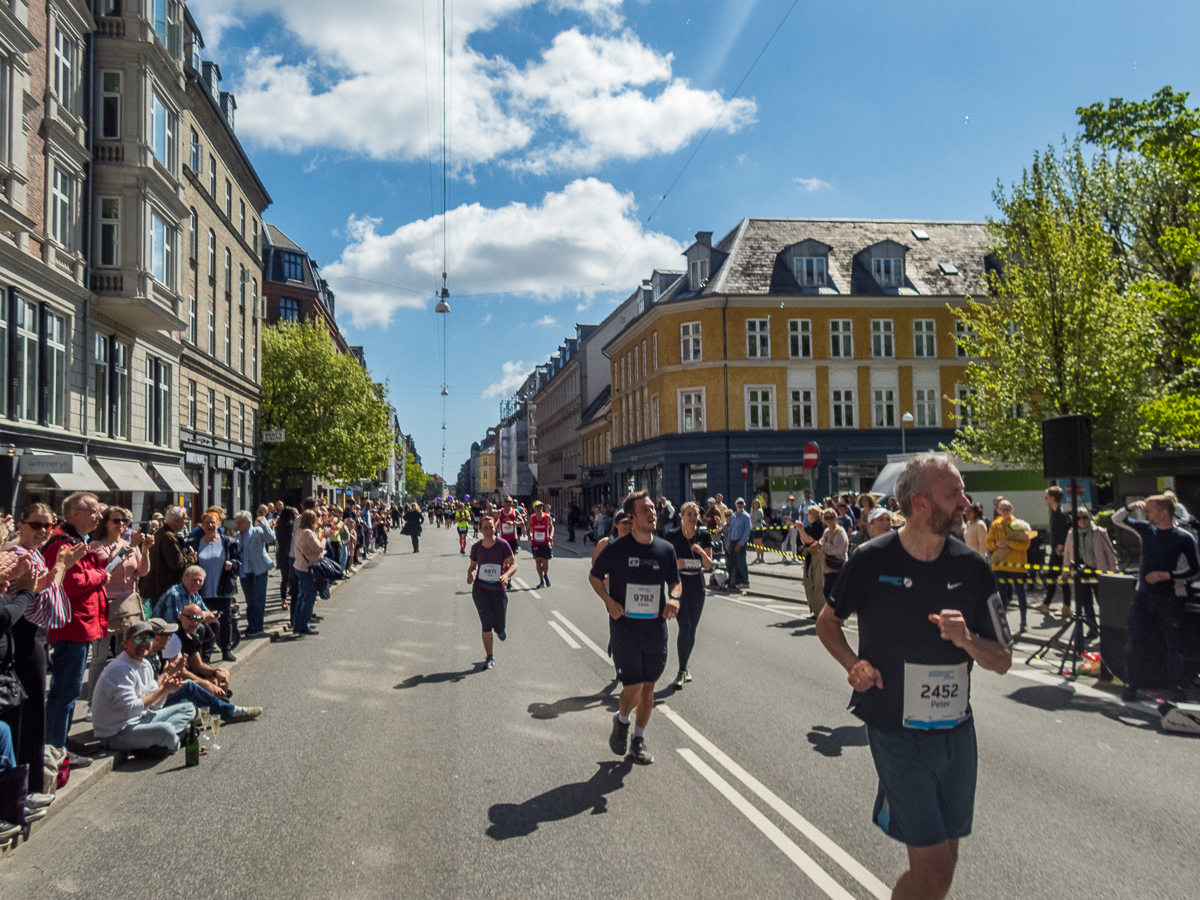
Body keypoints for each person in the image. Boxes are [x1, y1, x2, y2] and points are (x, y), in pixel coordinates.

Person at [816, 452, 1012, 900]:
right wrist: (853, 664)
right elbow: (827, 622)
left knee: (946, 860)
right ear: (920, 503)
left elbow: (1002, 658)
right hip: (895, 731)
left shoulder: (973, 568)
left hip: (957, 734)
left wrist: (967, 641)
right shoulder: (869, 560)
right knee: (937, 868)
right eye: (954, 493)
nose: (964, 501)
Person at [589, 491, 682, 765]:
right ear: (631, 516)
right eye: (645, 509)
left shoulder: (665, 549)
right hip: (625, 628)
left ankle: (638, 740)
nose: (652, 513)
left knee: (649, 687)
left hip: (655, 629)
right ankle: (622, 720)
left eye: (653, 508)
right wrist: (608, 602)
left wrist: (674, 597)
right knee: (634, 685)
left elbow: (674, 582)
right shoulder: (617, 548)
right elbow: (594, 577)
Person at [3, 505, 87, 787]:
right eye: (36, 525)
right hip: (21, 638)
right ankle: (24, 787)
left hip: (34, 636)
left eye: (48, 527)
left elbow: (49, 594)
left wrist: (60, 569)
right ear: (21, 525)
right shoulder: (16, 555)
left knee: (32, 713)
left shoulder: (34, 554)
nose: (42, 532)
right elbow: (36, 601)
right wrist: (61, 568)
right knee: (27, 715)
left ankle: (28, 783)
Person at [1113, 497, 1200, 702]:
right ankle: (1130, 684)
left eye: (1150, 510)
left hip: (1170, 597)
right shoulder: (1145, 530)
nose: (1146, 514)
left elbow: (1195, 569)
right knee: (1135, 640)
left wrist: (1167, 575)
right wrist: (1129, 507)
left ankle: (1176, 686)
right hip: (1143, 596)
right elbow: (1117, 519)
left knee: (1174, 644)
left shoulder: (1184, 538)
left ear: (1163, 512)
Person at [43, 492, 110, 754]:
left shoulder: (76, 540)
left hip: (80, 623)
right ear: (74, 514)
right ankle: (55, 747)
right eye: (93, 511)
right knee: (65, 690)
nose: (99, 516)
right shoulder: (63, 542)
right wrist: (101, 573)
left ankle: (60, 741)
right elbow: (71, 583)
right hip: (71, 625)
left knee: (68, 689)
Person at [90, 621, 193, 757]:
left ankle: (158, 743)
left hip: (140, 719)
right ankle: (176, 741)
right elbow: (131, 709)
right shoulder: (120, 669)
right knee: (166, 730)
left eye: (148, 638)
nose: (144, 643)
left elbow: (155, 706)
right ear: (125, 643)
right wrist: (162, 690)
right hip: (116, 732)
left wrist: (166, 690)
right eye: (138, 639)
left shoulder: (145, 664)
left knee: (188, 708)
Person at [86, 506, 153, 707]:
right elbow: (105, 569)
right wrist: (128, 548)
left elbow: (142, 571)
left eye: (124, 521)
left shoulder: (127, 544)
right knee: (99, 657)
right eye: (116, 521)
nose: (121, 525)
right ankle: (94, 703)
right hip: (105, 603)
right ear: (105, 523)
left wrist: (145, 550)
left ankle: (123, 697)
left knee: (126, 652)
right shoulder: (96, 545)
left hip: (129, 603)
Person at [162, 604, 262, 721]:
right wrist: (204, 683)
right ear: (180, 617)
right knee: (194, 685)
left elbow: (198, 665)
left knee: (215, 678)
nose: (195, 623)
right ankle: (229, 711)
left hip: (173, 684)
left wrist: (216, 672)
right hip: (165, 688)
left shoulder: (188, 635)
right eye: (191, 618)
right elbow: (179, 672)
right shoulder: (173, 639)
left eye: (198, 619)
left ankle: (211, 706)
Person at [666, 501, 713, 688]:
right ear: (682, 516)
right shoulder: (672, 536)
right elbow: (666, 563)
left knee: (692, 628)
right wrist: (675, 565)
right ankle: (681, 670)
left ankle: (685, 667)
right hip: (678, 586)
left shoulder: (703, 535)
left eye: (695, 515)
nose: (693, 518)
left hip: (697, 586)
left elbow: (709, 565)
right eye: (689, 515)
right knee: (684, 625)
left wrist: (702, 552)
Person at [188, 511, 241, 662]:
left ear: (218, 524)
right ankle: (205, 655)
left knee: (226, 621)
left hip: (222, 588)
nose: (210, 526)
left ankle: (226, 650)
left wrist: (233, 564)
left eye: (213, 523)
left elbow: (239, 562)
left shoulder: (228, 542)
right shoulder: (194, 543)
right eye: (207, 523)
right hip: (202, 590)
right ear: (202, 525)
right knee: (205, 623)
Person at [466, 515, 518, 670]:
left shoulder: (502, 545)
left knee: (499, 625)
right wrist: (470, 574)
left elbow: (513, 564)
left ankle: (500, 629)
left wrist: (507, 575)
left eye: (491, 527)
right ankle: (489, 656)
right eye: (485, 528)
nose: (488, 531)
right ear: (480, 529)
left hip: (498, 590)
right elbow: (472, 566)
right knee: (486, 623)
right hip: (480, 590)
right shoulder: (476, 547)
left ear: (496, 527)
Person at [1060, 508, 1118, 641]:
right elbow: (1068, 554)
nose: (1081, 521)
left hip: (1098, 571)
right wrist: (1065, 572)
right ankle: (1093, 629)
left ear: (1089, 518)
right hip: (1080, 572)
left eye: (1084, 517)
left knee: (1102, 601)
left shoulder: (1100, 532)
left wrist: (1113, 571)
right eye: (1078, 518)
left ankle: (1108, 630)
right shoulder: (1072, 533)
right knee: (1086, 603)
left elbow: (1110, 553)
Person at [987, 500, 1031, 631]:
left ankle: (1023, 622)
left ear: (1011, 510)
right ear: (999, 511)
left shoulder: (1018, 524)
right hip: (1000, 566)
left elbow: (1026, 545)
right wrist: (996, 545)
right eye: (1002, 509)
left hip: (1016, 565)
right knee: (1001, 596)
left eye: (1007, 509)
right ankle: (1002, 624)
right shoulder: (995, 524)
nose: (1005, 511)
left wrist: (1010, 544)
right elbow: (989, 542)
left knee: (1020, 593)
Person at [235, 510, 275, 638]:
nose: (238, 524)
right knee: (250, 601)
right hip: (245, 572)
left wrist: (264, 524)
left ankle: (258, 627)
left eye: (240, 522)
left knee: (258, 600)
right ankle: (251, 625)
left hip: (259, 570)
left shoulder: (257, 531)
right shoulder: (236, 535)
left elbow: (271, 538)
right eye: (237, 522)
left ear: (248, 522)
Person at [140, 506, 191, 603]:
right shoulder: (168, 536)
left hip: (155, 588)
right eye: (185, 518)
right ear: (176, 520)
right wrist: (192, 556)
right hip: (164, 589)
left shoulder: (159, 532)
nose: (186, 521)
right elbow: (178, 563)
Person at [291, 509, 329, 636]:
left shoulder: (298, 532)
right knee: (309, 597)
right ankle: (303, 625)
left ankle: (296, 623)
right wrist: (324, 538)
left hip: (299, 566)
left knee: (301, 596)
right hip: (308, 568)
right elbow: (319, 548)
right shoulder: (308, 533)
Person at [1042, 486, 1072, 617]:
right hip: (1055, 552)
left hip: (1059, 553)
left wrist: (1060, 545)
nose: (1045, 499)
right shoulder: (1055, 513)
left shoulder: (1061, 514)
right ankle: (1046, 604)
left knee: (1061, 579)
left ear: (1053, 498)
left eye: (1047, 497)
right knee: (1052, 577)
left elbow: (1066, 532)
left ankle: (1066, 607)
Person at [818, 508, 849, 610]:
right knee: (827, 591)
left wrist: (824, 547)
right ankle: (832, 614)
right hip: (827, 566)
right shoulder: (826, 531)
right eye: (826, 518)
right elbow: (820, 542)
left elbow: (838, 549)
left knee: (836, 594)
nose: (829, 520)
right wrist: (823, 546)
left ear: (836, 518)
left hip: (838, 567)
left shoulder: (840, 532)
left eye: (831, 517)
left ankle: (838, 615)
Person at [800, 506, 826, 617]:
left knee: (817, 583)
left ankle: (819, 611)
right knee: (809, 582)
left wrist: (801, 530)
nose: (807, 516)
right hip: (810, 556)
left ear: (813, 515)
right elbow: (804, 541)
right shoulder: (812, 526)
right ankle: (815, 610)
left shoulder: (819, 526)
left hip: (817, 557)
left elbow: (811, 540)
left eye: (808, 514)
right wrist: (801, 531)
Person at [726, 498, 752, 590]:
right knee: (733, 563)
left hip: (740, 543)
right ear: (735, 505)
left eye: (741, 504)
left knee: (741, 563)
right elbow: (730, 531)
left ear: (744, 505)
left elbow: (747, 532)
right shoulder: (733, 516)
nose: (739, 505)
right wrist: (728, 544)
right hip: (733, 542)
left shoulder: (746, 516)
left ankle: (745, 581)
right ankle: (736, 580)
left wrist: (740, 543)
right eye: (738, 504)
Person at [275, 507, 297, 612]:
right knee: (292, 579)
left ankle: (283, 600)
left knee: (284, 579)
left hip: (281, 554)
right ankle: (293, 601)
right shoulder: (292, 526)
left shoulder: (278, 527)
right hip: (291, 554)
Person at [528, 501, 555, 588]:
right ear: (534, 508)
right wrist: (529, 535)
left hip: (545, 542)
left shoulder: (547, 517)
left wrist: (551, 536)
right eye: (537, 507)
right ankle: (541, 580)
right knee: (538, 562)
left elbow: (552, 527)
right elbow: (528, 529)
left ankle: (546, 575)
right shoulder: (532, 518)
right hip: (535, 543)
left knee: (545, 561)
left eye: (541, 507)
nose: (539, 508)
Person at [750, 498, 766, 564]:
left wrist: (753, 519)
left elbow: (756, 519)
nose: (755, 504)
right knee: (755, 544)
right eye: (754, 503)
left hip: (759, 529)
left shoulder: (760, 511)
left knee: (760, 544)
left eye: (757, 503)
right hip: (753, 529)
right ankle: (757, 557)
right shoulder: (752, 511)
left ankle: (762, 558)